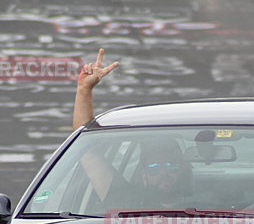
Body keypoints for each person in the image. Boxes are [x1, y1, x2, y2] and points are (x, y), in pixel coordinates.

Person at [71, 48, 191, 207]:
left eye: (171, 166)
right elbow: (86, 150)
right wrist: (84, 90)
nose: (164, 173)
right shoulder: (126, 202)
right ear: (144, 175)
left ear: (184, 168)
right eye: (154, 167)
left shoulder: (217, 204)